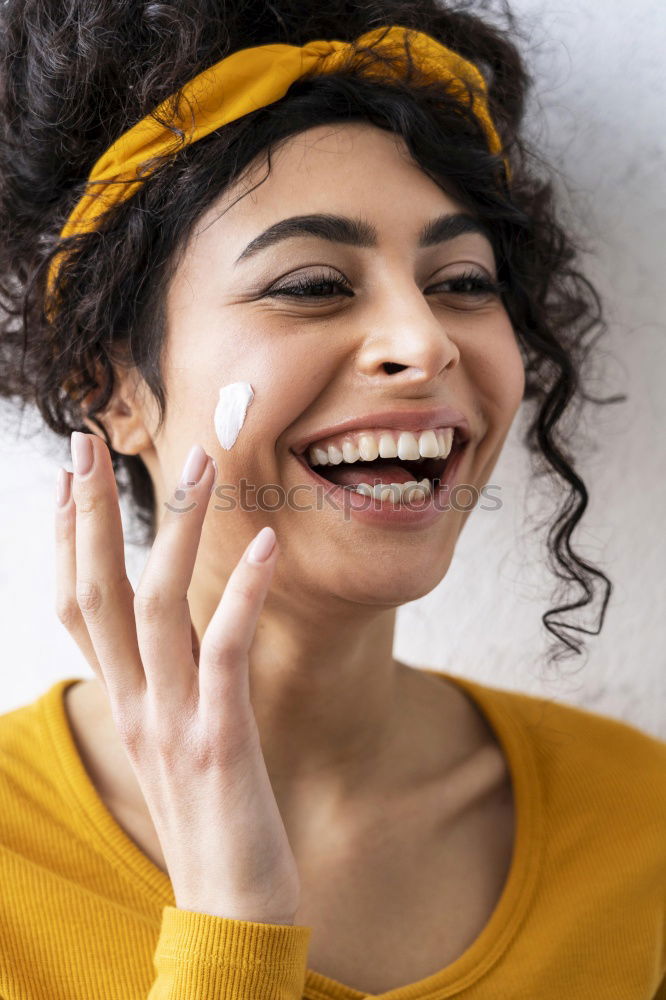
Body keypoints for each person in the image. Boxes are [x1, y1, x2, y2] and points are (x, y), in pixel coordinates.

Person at [0, 2, 664, 998]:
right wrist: (231, 935)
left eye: (464, 282)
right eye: (312, 283)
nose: (426, 341)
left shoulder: (640, 824)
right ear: (109, 385)